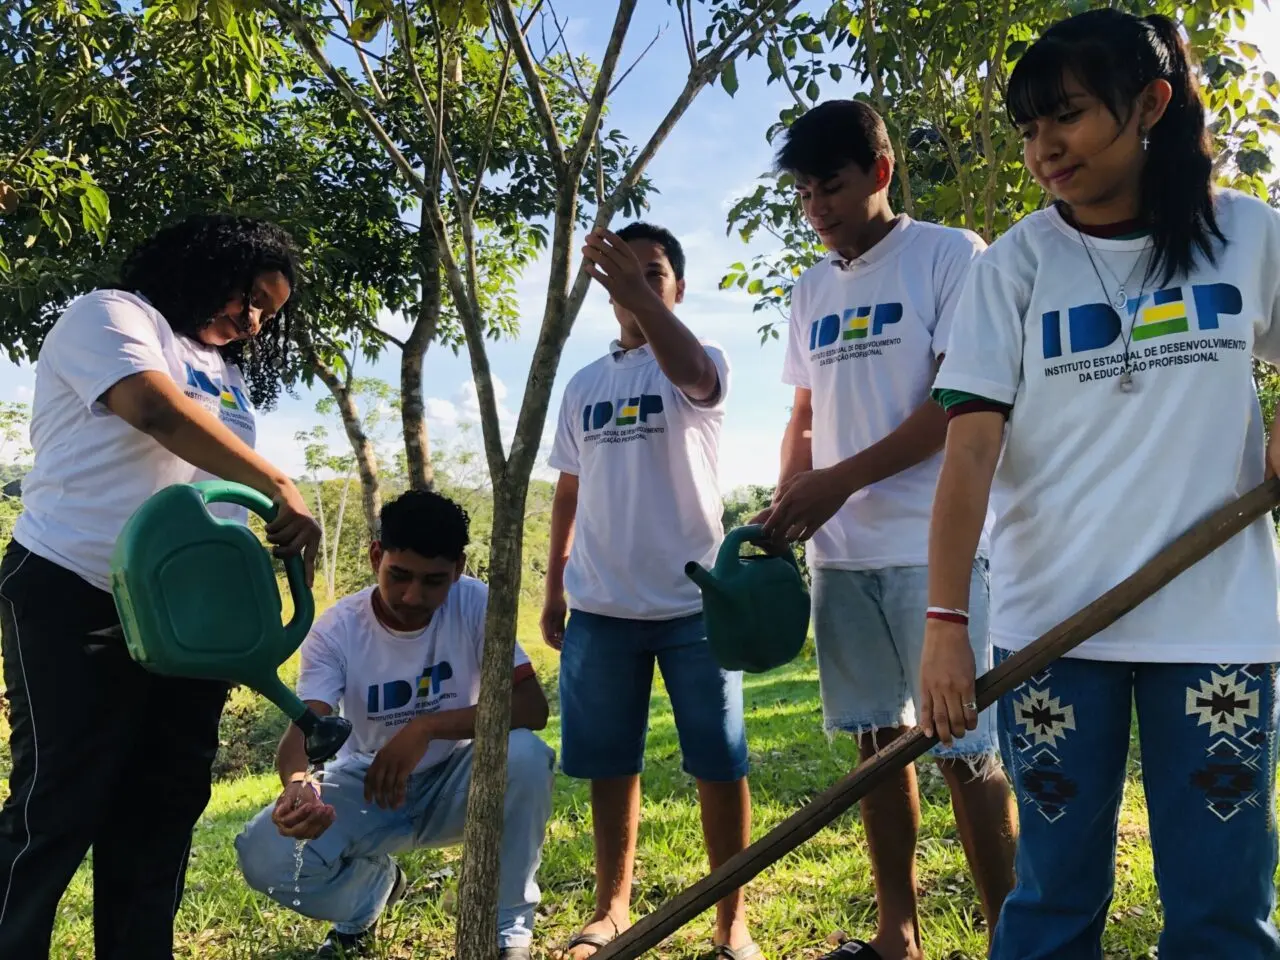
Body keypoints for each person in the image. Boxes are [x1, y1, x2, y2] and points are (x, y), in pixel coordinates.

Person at [921, 10, 1280, 958]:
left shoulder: (1247, 236)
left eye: (1067, 118)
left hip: (1219, 625)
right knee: (1052, 901)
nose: (1044, 150)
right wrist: (947, 624)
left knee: (1222, 905)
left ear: (1150, 104)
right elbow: (968, 456)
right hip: (1053, 631)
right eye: (1030, 129)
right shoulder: (1013, 267)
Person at [0, 213, 321, 960]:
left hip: (186, 621)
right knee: (57, 805)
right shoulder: (110, 315)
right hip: (74, 588)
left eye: (267, 316)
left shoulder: (229, 377)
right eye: (249, 299)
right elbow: (151, 410)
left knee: (164, 807)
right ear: (206, 264)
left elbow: (210, 489)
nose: (250, 323)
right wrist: (279, 483)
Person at [753, 100, 1017, 960]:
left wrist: (837, 482)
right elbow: (804, 410)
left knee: (966, 749)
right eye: (803, 192)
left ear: (880, 169)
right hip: (842, 556)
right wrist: (792, 490)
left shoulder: (950, 256)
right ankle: (895, 935)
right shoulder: (811, 288)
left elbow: (956, 404)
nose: (817, 207)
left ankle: (1006, 934)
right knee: (875, 745)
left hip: (937, 547)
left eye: (830, 185)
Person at [542, 222, 757, 960]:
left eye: (655, 273)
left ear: (680, 287)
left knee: (719, 762)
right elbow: (567, 491)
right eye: (623, 276)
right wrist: (554, 585)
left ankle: (733, 918)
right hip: (600, 607)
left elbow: (694, 373)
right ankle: (611, 908)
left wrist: (646, 301)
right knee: (610, 764)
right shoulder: (584, 385)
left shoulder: (700, 362)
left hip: (696, 604)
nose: (636, 285)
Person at [236, 489, 555, 960]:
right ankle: (373, 894)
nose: (412, 596)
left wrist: (425, 728)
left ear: (459, 570)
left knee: (527, 754)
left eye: (434, 582)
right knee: (263, 853)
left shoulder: (475, 604)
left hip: (458, 781)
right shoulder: (337, 628)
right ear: (375, 556)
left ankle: (508, 931)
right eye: (399, 575)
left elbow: (532, 708)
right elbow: (307, 728)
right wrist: (299, 785)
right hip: (372, 786)